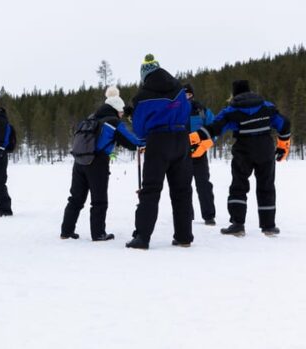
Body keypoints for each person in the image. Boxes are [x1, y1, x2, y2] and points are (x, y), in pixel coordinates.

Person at [189, 80, 291, 237]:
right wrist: (283, 144)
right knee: (266, 185)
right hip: (265, 148)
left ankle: (237, 225)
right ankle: (269, 226)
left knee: (239, 186)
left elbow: (215, 128)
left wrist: (194, 137)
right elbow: (284, 124)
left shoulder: (231, 110)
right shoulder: (266, 106)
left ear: (234, 94)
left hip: (244, 150)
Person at [125, 54, 194, 250]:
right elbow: (186, 111)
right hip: (181, 139)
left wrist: (136, 119)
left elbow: (139, 130)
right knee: (182, 190)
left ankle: (143, 237)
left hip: (158, 141)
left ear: (144, 75)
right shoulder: (179, 90)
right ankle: (184, 236)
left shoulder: (142, 97)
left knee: (151, 190)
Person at [61, 87, 144, 241]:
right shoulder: (112, 122)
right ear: (117, 109)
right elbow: (132, 143)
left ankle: (66, 231)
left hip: (80, 161)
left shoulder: (91, 118)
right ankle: (98, 233)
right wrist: (146, 141)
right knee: (99, 200)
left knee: (75, 198)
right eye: (121, 112)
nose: (121, 115)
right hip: (97, 163)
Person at [183, 83, 216, 225]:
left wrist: (203, 147)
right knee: (183, 187)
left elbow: (213, 130)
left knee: (204, 185)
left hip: (200, 155)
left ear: (193, 95)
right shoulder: (176, 111)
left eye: (189, 95)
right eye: (183, 95)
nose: (186, 98)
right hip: (182, 155)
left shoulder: (202, 110)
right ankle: (186, 215)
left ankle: (209, 216)